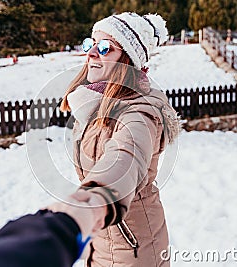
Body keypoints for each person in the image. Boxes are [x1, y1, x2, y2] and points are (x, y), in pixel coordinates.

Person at [55, 12, 180, 267]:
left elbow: (125, 157)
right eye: (90, 44)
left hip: (133, 248)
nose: (91, 53)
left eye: (104, 48)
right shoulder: (93, 102)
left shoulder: (139, 112)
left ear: (127, 60)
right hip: (102, 241)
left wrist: (90, 202)